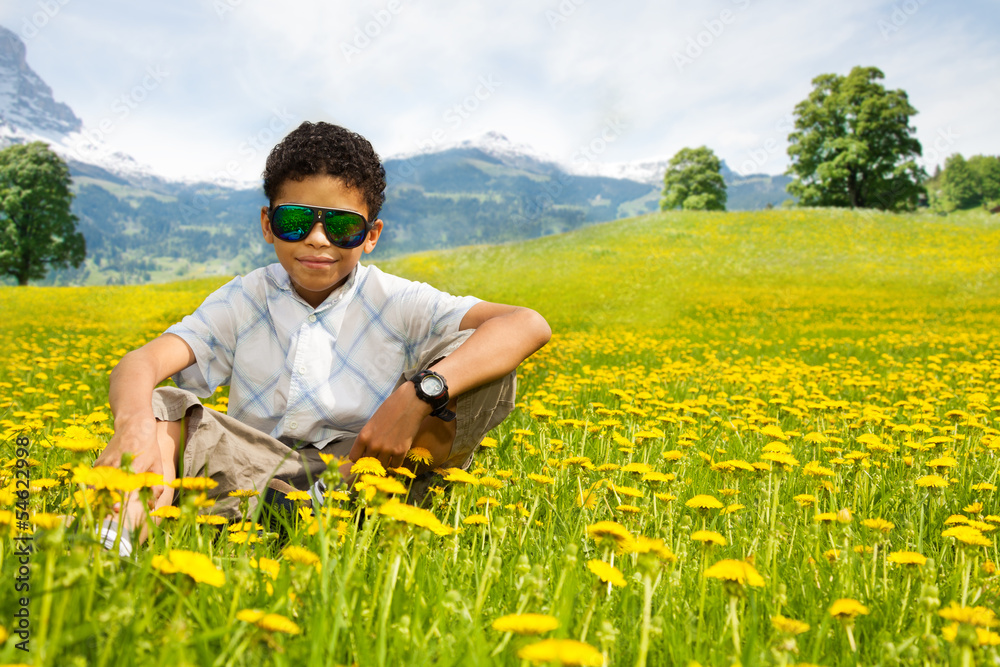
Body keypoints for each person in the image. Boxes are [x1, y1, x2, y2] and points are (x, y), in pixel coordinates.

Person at [94, 121, 551, 554]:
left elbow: (527, 324)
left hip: (370, 476)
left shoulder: (396, 299)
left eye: (342, 226)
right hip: (255, 469)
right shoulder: (244, 298)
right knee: (161, 411)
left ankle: (332, 513)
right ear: (267, 224)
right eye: (295, 220)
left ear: (370, 236)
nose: (316, 239)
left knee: (484, 365)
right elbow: (141, 364)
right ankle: (113, 544)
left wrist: (414, 398)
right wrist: (132, 427)